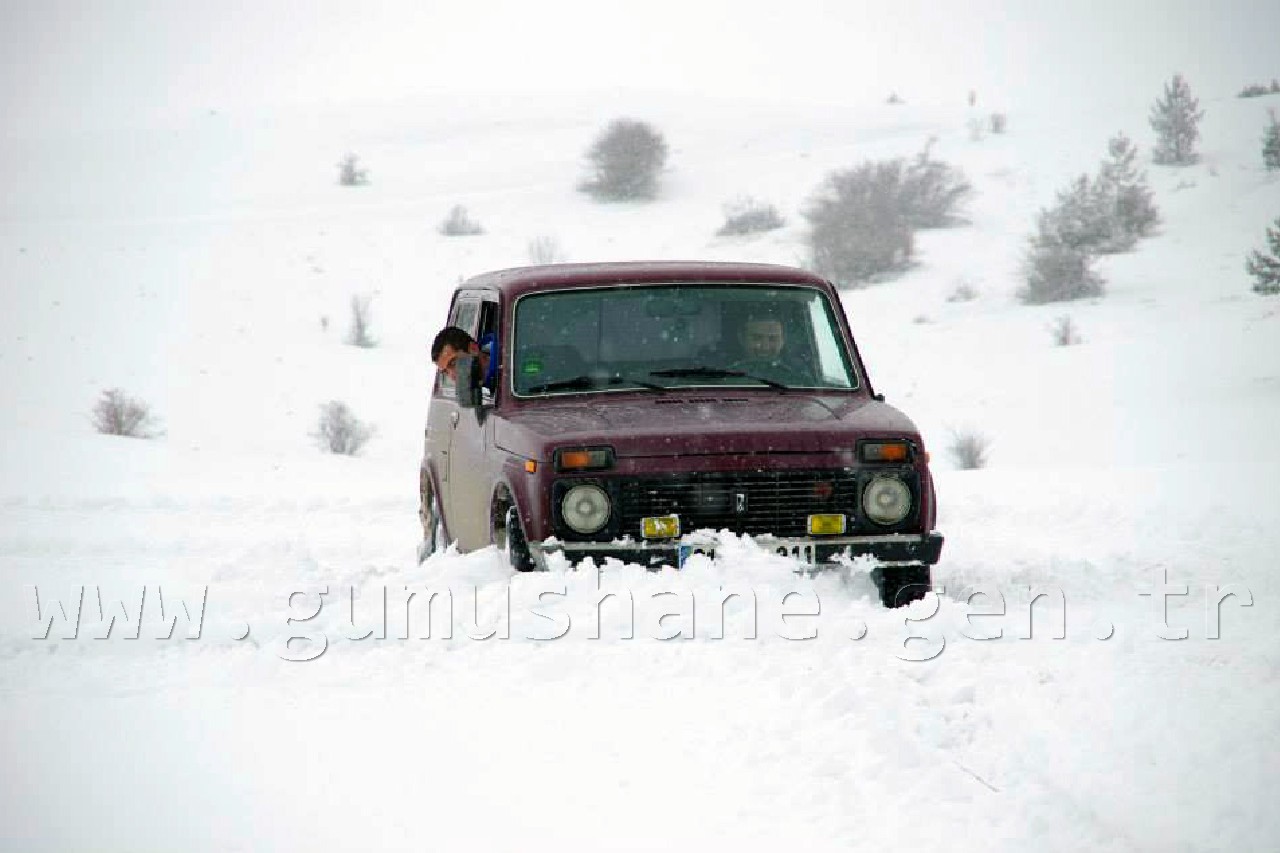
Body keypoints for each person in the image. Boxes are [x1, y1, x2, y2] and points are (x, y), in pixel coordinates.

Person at [729, 314, 812, 384]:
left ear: (783, 341)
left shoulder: (798, 374)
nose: (765, 347)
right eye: (757, 338)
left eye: (773, 339)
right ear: (742, 338)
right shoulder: (721, 370)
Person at [431, 326, 497, 391]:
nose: (452, 376)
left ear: (473, 348)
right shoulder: (479, 391)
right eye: (446, 372)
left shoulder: (504, 348)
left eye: (453, 363)